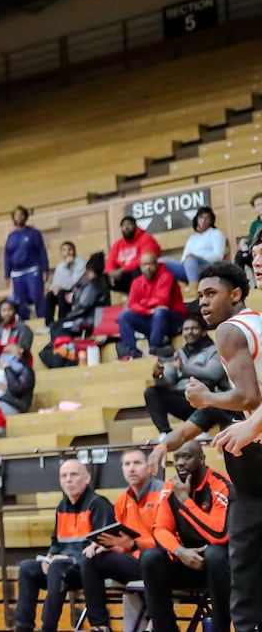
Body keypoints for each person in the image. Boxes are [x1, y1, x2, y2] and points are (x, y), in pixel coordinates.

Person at [186, 258, 262, 632]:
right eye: (199, 295)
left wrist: (207, 398)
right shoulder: (257, 322)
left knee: (245, 571)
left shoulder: (230, 331)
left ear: (235, 294)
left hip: (257, 455)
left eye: (211, 294)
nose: (202, 302)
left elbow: (249, 396)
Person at [141, 440, 233, 632]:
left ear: (202, 459)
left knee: (215, 554)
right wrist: (179, 551)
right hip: (187, 560)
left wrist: (185, 500)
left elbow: (219, 534)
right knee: (150, 558)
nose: (181, 463)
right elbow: (161, 529)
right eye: (177, 458)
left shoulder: (221, 485)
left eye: (187, 457)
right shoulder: (170, 487)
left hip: (219, 567)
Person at [12, 459, 114, 632]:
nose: (68, 480)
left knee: (58, 567)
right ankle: (23, 627)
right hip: (61, 568)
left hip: (88, 570)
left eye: (74, 474)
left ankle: (48, 627)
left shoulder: (98, 504)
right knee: (27, 568)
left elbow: (102, 546)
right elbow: (56, 543)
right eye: (64, 476)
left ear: (87, 478)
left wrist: (67, 559)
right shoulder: (61, 507)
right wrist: (50, 556)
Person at [77, 449, 160, 632]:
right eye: (127, 464)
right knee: (90, 558)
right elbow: (119, 536)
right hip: (133, 560)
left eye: (137, 463)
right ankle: (100, 625)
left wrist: (133, 545)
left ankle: (156, 622)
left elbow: (168, 540)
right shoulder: (123, 499)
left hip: (159, 561)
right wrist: (103, 544)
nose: (131, 469)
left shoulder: (162, 493)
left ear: (149, 467)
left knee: (150, 559)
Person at [144, 316, 229, 435]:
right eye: (186, 329)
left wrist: (183, 367)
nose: (190, 332)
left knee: (205, 382)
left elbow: (213, 374)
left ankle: (202, 427)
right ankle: (166, 434)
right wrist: (159, 375)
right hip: (183, 398)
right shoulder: (179, 353)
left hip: (209, 401)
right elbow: (169, 381)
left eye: (194, 328)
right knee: (151, 392)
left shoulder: (214, 350)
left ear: (204, 331)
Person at [118, 250, 186, 358]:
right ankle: (132, 352)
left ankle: (154, 348)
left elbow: (162, 301)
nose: (148, 267)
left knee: (159, 312)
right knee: (124, 316)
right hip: (151, 318)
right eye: (145, 265)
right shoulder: (137, 282)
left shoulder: (167, 277)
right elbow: (132, 304)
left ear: (157, 264)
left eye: (151, 264)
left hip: (174, 319)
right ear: (140, 267)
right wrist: (148, 310)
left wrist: (143, 303)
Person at [5, 207, 49, 319]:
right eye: (16, 215)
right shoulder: (11, 236)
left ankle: (43, 319)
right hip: (17, 273)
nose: (19, 217)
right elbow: (7, 256)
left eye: (21, 214)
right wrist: (7, 274)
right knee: (20, 300)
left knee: (37, 296)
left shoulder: (34, 233)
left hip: (32, 270)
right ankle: (24, 322)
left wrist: (45, 269)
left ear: (25, 217)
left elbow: (42, 251)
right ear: (13, 218)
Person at [165, 205, 227, 284]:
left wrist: (196, 257)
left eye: (207, 218)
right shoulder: (192, 238)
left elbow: (218, 256)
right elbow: (184, 258)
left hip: (208, 267)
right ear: (197, 219)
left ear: (211, 221)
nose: (203, 220)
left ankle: (194, 290)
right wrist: (189, 259)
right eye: (201, 217)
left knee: (191, 260)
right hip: (189, 267)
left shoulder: (216, 233)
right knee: (162, 262)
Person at [106, 215, 162, 294]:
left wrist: (123, 270)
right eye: (123, 226)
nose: (126, 227)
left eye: (129, 225)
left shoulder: (146, 238)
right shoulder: (118, 244)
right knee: (104, 277)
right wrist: (111, 272)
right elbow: (109, 263)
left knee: (138, 270)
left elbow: (146, 259)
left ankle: (142, 296)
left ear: (135, 227)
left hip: (144, 273)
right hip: (125, 276)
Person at [46, 241, 86, 325]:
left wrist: (67, 267)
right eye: (64, 250)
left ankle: (62, 322)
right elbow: (56, 282)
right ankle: (49, 324)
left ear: (74, 251)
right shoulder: (60, 266)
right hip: (63, 290)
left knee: (61, 293)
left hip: (76, 291)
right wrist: (54, 287)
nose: (67, 252)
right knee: (49, 295)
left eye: (70, 250)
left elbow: (74, 283)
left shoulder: (81, 263)